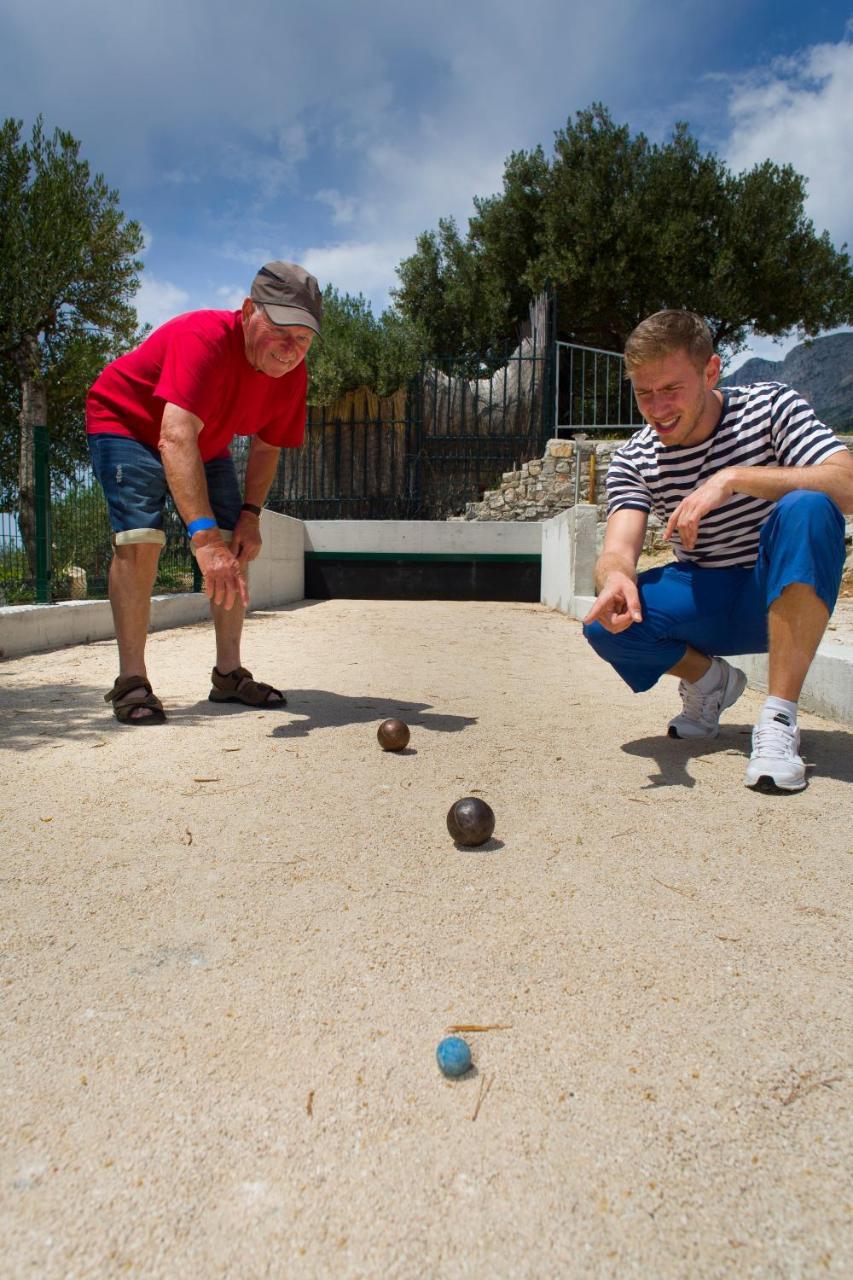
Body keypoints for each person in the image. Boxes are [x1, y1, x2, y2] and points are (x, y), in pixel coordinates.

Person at [582, 310, 853, 792]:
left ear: (710, 371)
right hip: (706, 595)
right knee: (607, 622)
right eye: (644, 393)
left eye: (671, 389)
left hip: (783, 586)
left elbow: (847, 484)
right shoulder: (635, 457)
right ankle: (711, 684)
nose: (657, 408)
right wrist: (614, 578)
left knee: (811, 505)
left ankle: (778, 719)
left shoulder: (770, 407)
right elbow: (617, 550)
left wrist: (733, 479)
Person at [86, 261, 322, 724]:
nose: (290, 349)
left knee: (237, 538)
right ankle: (131, 681)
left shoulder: (293, 374)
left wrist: (250, 515)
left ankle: (229, 675)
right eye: (280, 330)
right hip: (126, 423)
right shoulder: (205, 337)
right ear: (249, 310)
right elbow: (173, 436)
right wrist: (203, 539)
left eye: (304, 338)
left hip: (204, 437)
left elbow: (266, 446)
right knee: (141, 538)